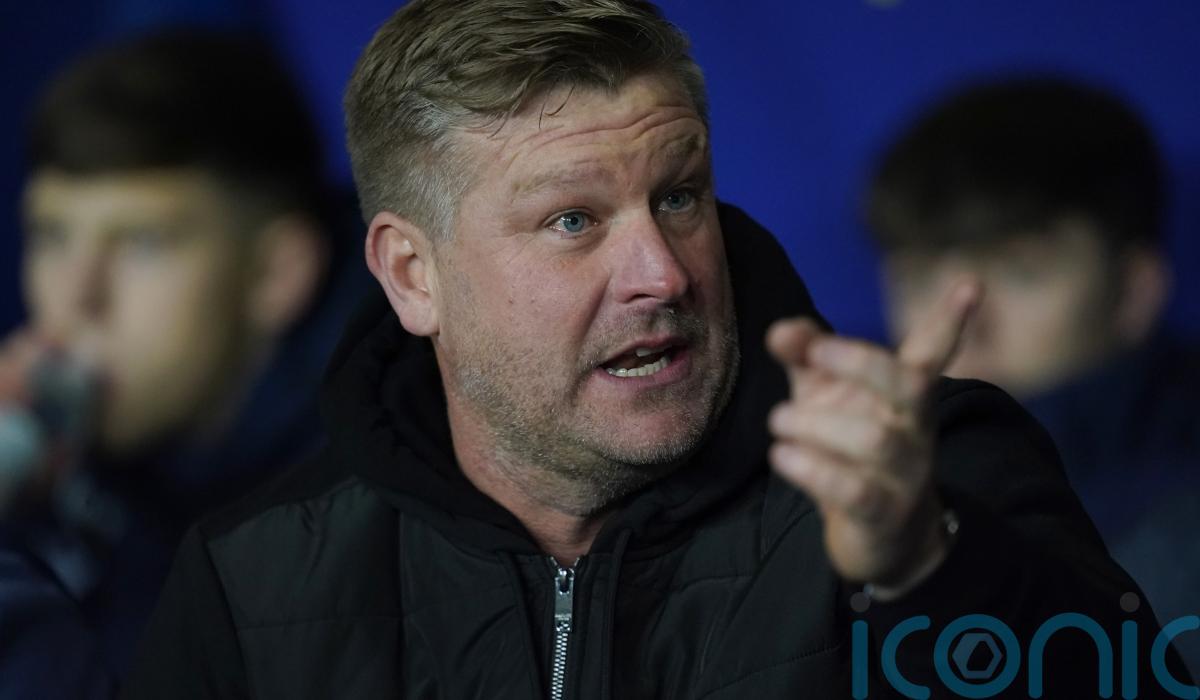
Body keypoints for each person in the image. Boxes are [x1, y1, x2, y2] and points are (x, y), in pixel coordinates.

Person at [124, 2, 1193, 698]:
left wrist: (929, 571)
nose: (664, 273)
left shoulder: (932, 469)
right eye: (573, 220)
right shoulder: (250, 579)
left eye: (678, 196)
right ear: (413, 275)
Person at [0, 31, 360, 696]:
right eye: (52, 235)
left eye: (142, 243)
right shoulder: (75, 470)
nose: (77, 300)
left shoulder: (378, 527)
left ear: (276, 274)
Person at [865, 77, 1200, 675]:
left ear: (1135, 291)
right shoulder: (835, 496)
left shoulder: (1176, 540)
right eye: (919, 280)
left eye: (1021, 272)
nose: (962, 322)